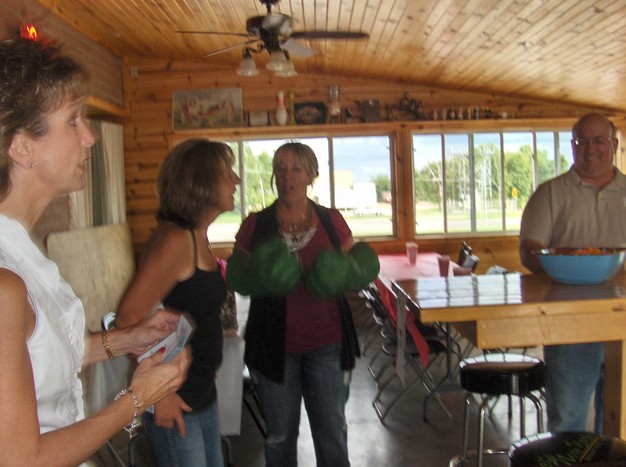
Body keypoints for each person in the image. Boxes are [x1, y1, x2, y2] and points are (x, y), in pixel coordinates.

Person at [0, 37, 191, 466]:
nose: (90, 137)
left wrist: (126, 339)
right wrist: (135, 400)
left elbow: (38, 354)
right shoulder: (5, 282)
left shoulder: (22, 252)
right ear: (22, 146)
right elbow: (20, 460)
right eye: (74, 120)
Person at [227, 142, 379, 467]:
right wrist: (257, 275)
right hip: (272, 348)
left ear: (311, 176)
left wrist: (347, 272)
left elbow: (356, 269)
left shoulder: (331, 220)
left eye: (296, 169)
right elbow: (236, 275)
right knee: (279, 437)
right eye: (280, 169)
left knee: (331, 434)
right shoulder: (255, 223)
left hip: (327, 345)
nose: (287, 176)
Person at [115, 139, 241, 466]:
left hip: (200, 390)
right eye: (227, 174)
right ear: (201, 183)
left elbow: (192, 312)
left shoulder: (196, 235)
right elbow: (126, 321)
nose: (237, 181)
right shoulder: (176, 240)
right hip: (176, 398)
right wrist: (162, 395)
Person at [519, 112, 626, 433]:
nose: (590, 149)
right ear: (573, 145)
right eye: (582, 141)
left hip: (624, 318)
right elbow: (529, 251)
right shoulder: (550, 193)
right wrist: (565, 263)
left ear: (614, 144)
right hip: (569, 322)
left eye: (599, 140)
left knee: (621, 423)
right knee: (568, 421)